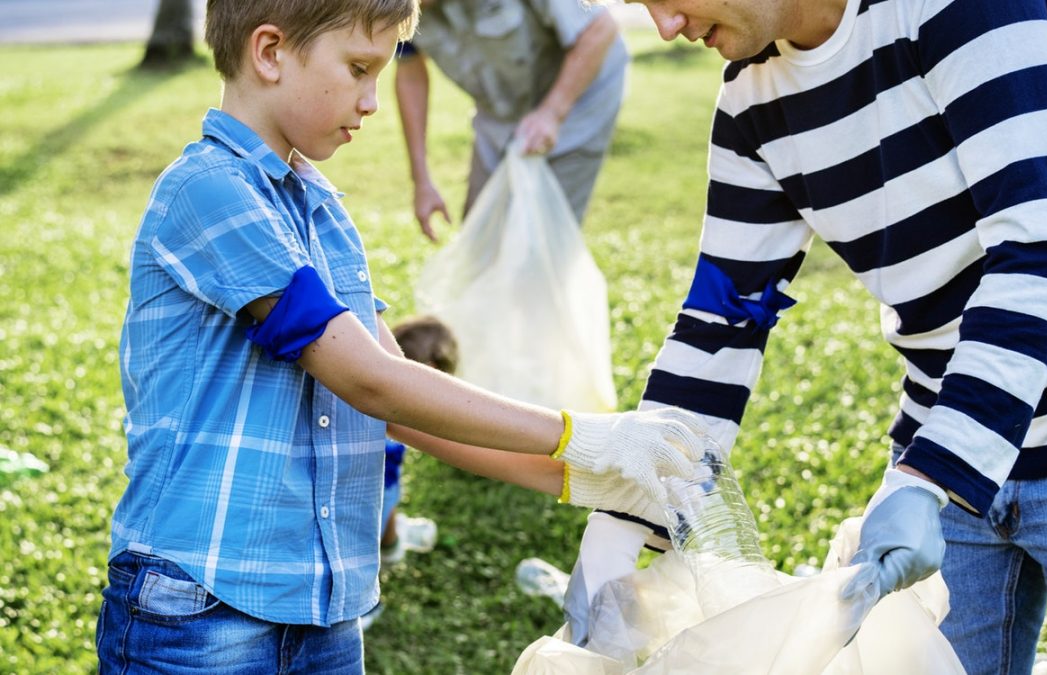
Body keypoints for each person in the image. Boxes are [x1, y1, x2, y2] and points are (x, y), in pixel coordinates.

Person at [94, 1, 710, 672]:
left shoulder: (319, 211)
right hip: (200, 609)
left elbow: (405, 404)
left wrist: (589, 477)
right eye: (359, 69)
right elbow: (370, 378)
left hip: (323, 608)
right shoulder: (209, 192)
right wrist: (586, 433)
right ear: (269, 52)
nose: (372, 101)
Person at [565, 0, 1047, 673]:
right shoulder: (753, 103)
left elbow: (1038, 256)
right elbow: (723, 322)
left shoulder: (965, 10)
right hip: (945, 443)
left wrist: (929, 478)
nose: (664, 27)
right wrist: (622, 521)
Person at [393, 0, 628, 240]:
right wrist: (421, 181)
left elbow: (600, 27)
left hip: (578, 99)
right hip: (499, 112)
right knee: (479, 232)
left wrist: (552, 113)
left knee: (542, 238)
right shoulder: (402, 5)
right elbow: (410, 73)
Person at [361, 315, 457, 629]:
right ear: (429, 372)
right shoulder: (398, 414)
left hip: (384, 487)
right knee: (364, 539)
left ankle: (392, 546)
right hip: (364, 497)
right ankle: (364, 604)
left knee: (388, 507)